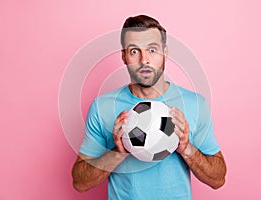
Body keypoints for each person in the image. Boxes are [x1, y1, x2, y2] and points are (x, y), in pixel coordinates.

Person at [72, 14, 227, 199]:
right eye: (134, 51)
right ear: (124, 56)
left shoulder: (195, 105)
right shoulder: (102, 107)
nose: (144, 60)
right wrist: (117, 152)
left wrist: (186, 148)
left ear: (165, 53)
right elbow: (79, 182)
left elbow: (218, 179)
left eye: (152, 50)